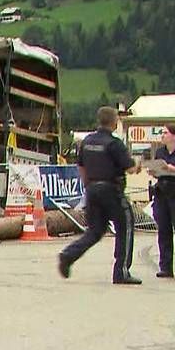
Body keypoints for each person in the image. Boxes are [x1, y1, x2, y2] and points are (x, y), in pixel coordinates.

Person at [58, 106, 143, 285]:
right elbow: (129, 168)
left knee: (95, 231)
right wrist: (138, 165)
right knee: (125, 225)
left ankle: (68, 255)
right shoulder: (114, 143)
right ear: (114, 122)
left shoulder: (87, 141)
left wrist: (88, 184)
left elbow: (80, 166)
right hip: (112, 189)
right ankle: (121, 271)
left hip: (92, 189)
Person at [150, 123, 175, 279]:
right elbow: (158, 170)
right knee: (163, 230)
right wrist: (155, 170)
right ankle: (165, 266)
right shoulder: (160, 152)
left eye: (165, 133)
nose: (162, 135)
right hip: (162, 192)